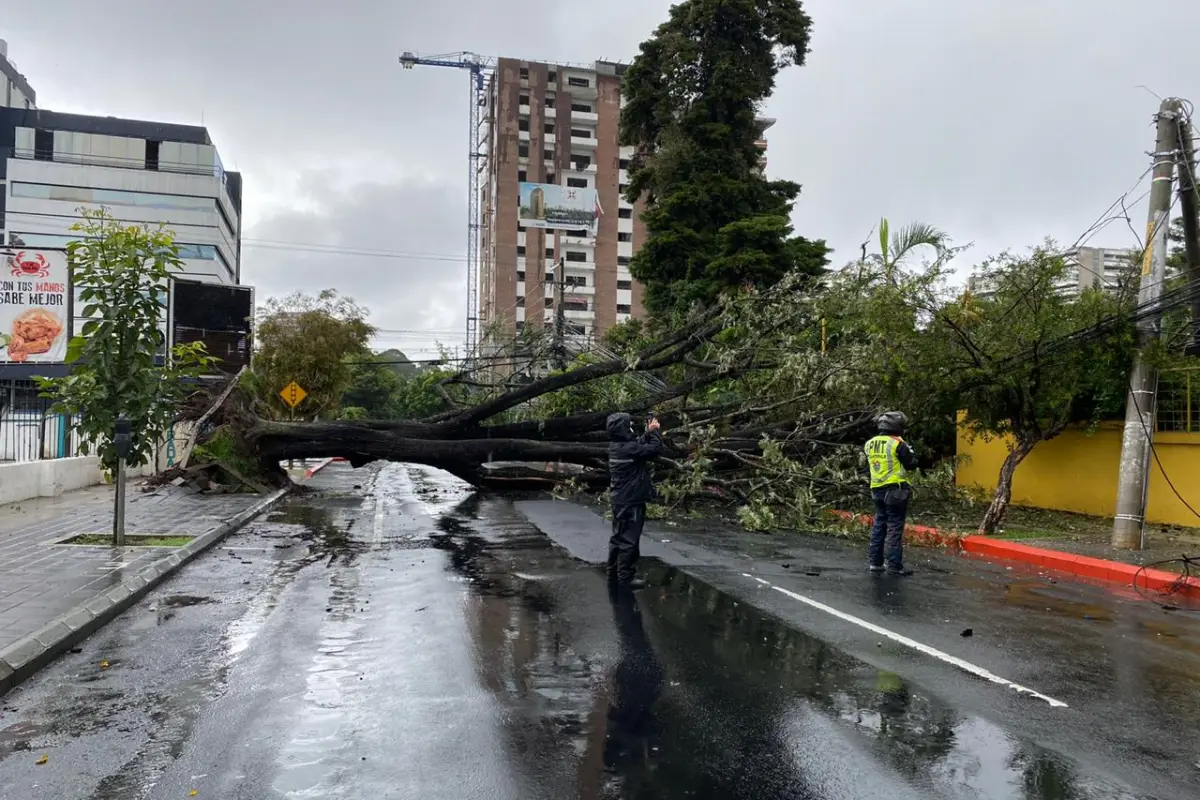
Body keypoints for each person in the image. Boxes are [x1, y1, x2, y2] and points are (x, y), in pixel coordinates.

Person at [606, 411, 664, 589]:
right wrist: (654, 432)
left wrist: (647, 432)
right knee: (629, 539)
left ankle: (613, 572)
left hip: (620, 499)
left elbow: (637, 445)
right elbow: (654, 449)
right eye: (629, 425)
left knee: (618, 537)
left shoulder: (617, 446)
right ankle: (625, 577)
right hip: (631, 501)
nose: (631, 428)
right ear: (623, 428)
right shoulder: (628, 449)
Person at [864, 411, 919, 576]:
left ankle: (875, 562)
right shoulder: (897, 444)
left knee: (879, 524)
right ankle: (894, 565)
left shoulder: (869, 443)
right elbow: (911, 464)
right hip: (895, 489)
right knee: (895, 526)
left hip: (876, 488)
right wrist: (911, 453)